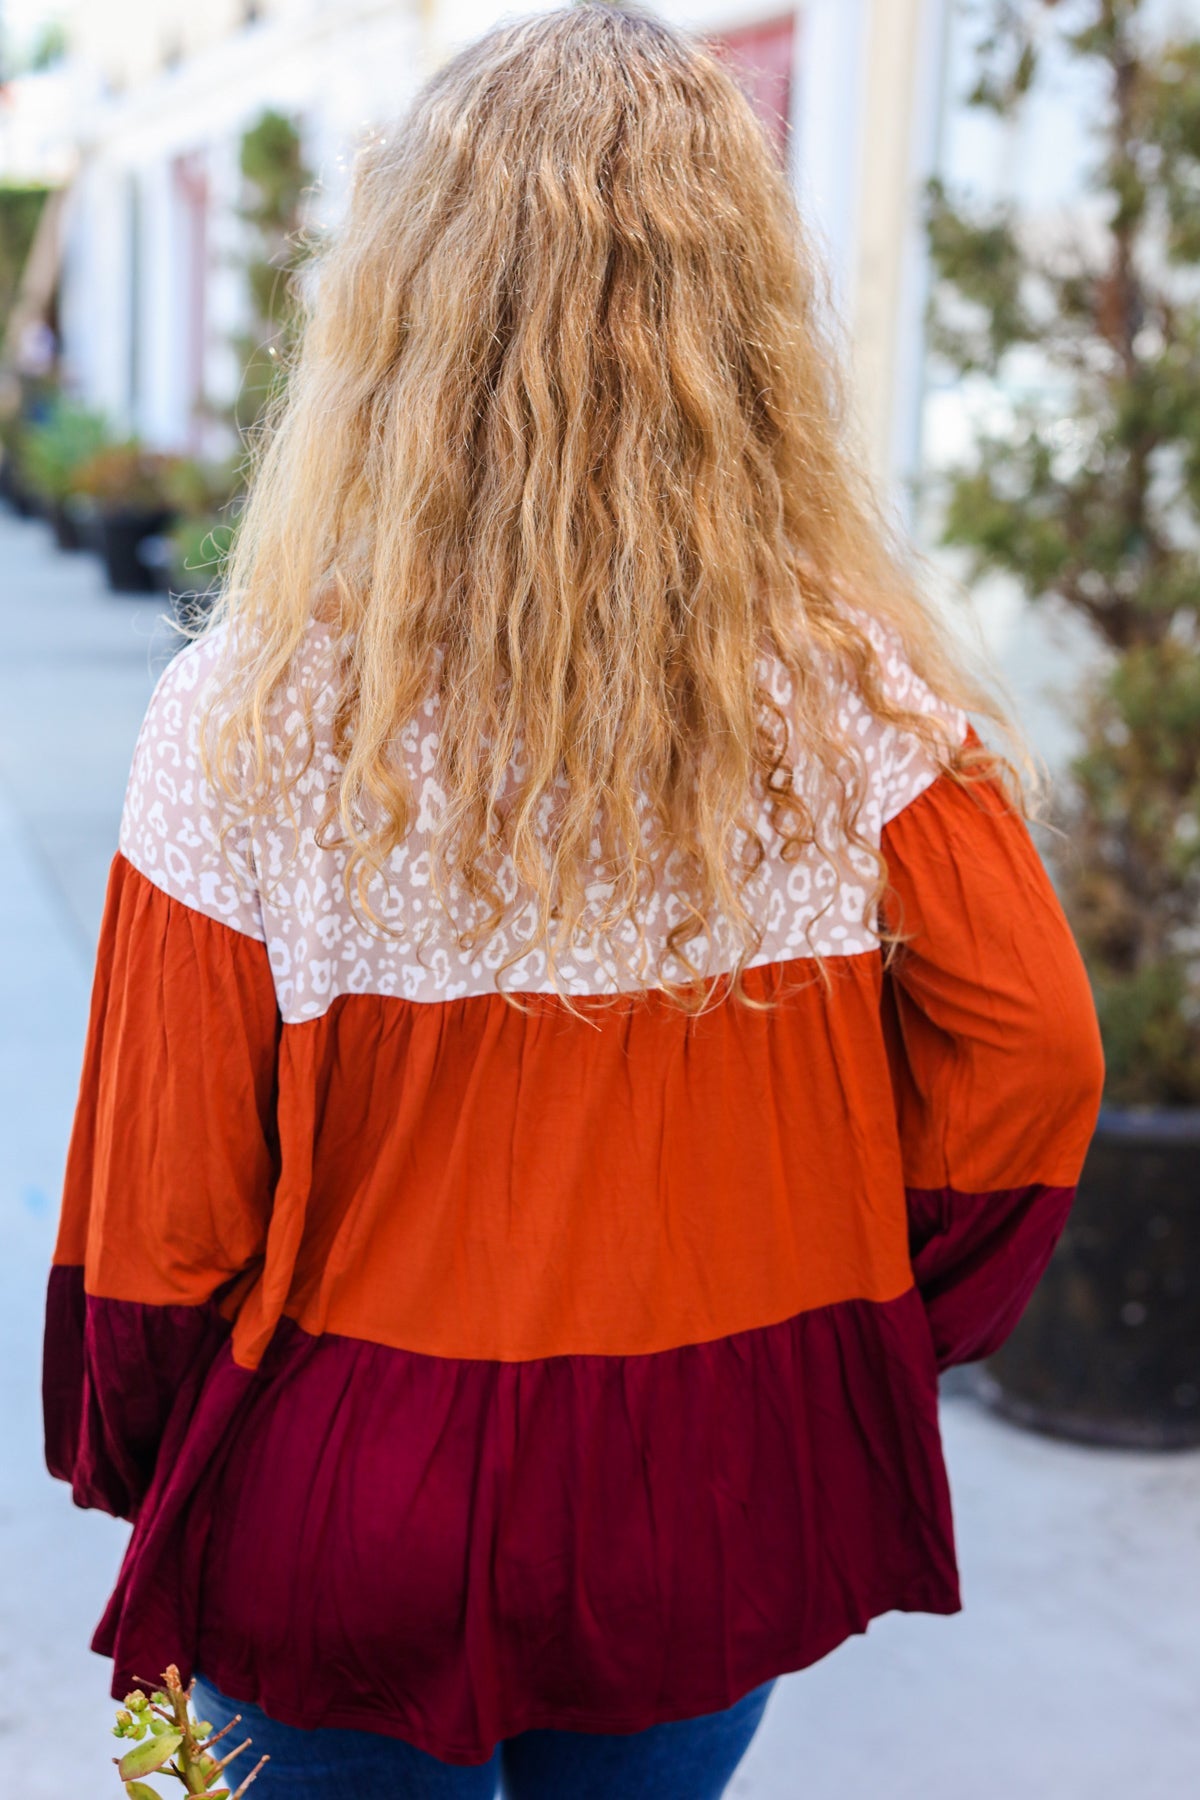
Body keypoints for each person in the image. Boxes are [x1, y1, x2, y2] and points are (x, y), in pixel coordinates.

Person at [42, 7, 1105, 1797]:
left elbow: (161, 1218)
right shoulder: (856, 709)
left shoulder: (251, 713)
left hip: (347, 1504)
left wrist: (161, 1469)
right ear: (746, 330)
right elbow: (1037, 1063)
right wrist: (850, 1332)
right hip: (706, 1483)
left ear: (398, 322)